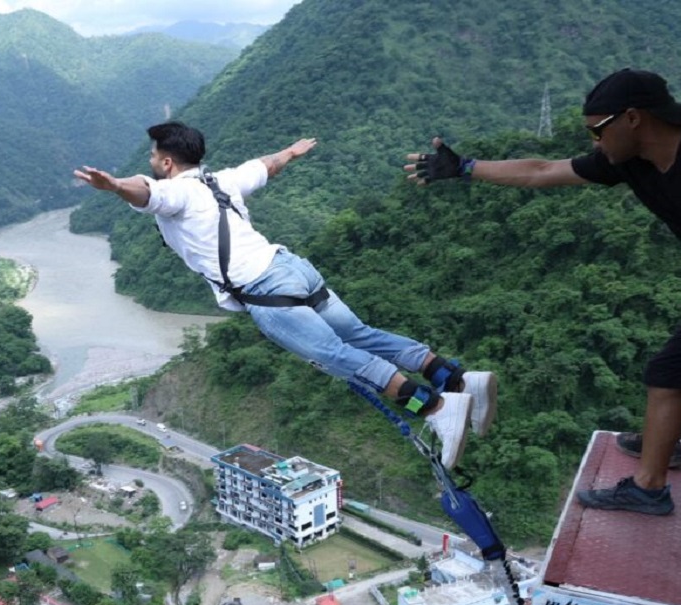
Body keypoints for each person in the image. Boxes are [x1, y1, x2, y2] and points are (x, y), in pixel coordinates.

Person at [405, 68, 681, 516]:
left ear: (634, 118)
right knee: (673, 373)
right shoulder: (628, 162)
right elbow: (542, 171)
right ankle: (660, 456)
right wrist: (465, 168)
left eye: (598, 130)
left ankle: (651, 478)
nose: (594, 142)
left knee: (675, 373)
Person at [74, 121, 498, 470]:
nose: (151, 163)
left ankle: (436, 410)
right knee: (362, 336)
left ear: (167, 161)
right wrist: (290, 153)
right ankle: (460, 379)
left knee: (336, 356)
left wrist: (114, 186)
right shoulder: (221, 179)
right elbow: (264, 166)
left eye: (153, 157)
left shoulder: (176, 192)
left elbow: (146, 191)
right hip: (293, 268)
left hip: (266, 292)